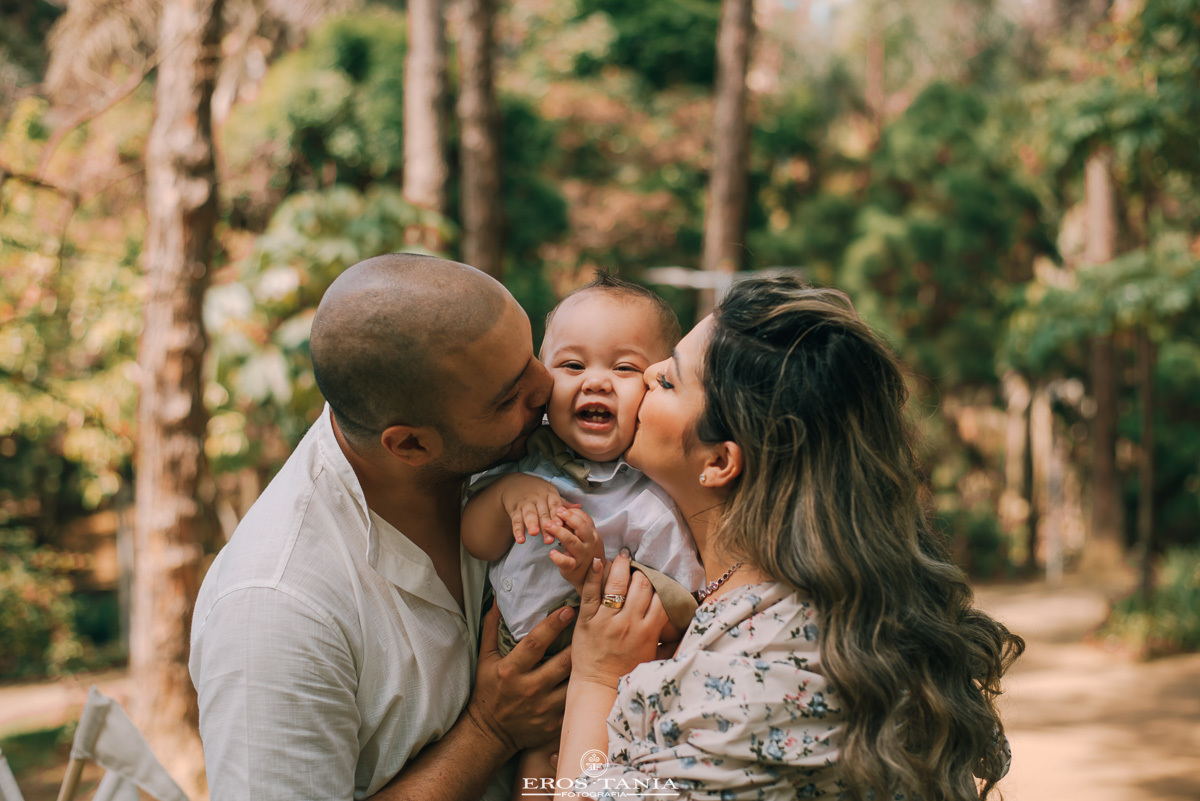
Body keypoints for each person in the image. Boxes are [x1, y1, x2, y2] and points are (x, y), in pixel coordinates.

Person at [556, 274, 1025, 800]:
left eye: (668, 380)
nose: (648, 373)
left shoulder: (759, 668)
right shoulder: (804, 606)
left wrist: (597, 677)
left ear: (718, 461)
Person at [189, 253, 576, 801]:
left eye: (533, 354)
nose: (549, 387)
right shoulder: (276, 608)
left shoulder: (505, 452)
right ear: (410, 444)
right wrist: (490, 730)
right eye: (511, 397)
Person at [461, 274, 706, 796]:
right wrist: (509, 495)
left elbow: (679, 610)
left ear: (656, 385)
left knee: (551, 777)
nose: (595, 381)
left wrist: (596, 570)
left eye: (624, 368)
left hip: (600, 682)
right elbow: (478, 542)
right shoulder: (523, 462)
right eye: (572, 365)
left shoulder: (651, 503)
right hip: (506, 661)